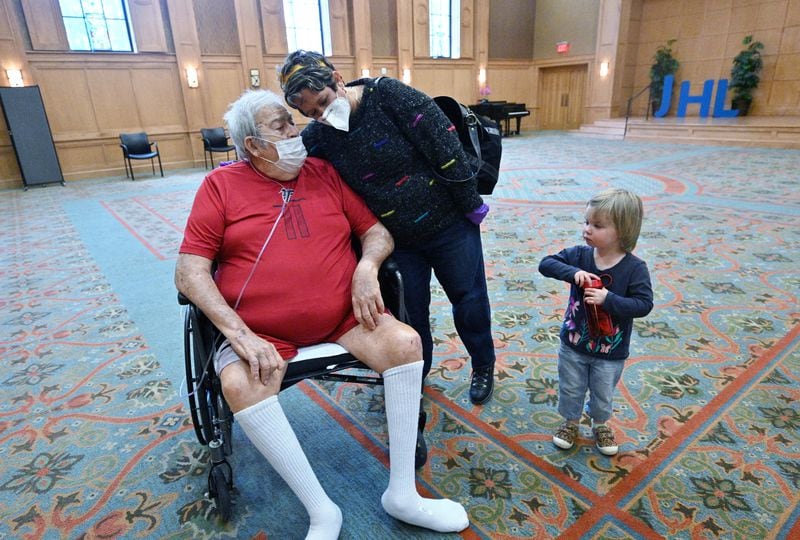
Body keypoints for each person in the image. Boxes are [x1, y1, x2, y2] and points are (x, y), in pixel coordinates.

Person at [175, 90, 469, 538]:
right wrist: (239, 334)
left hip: (343, 318)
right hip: (262, 331)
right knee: (237, 383)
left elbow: (376, 232)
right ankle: (321, 511)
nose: (297, 132)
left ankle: (404, 493)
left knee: (406, 343)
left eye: (292, 122)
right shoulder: (220, 187)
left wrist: (368, 267)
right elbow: (189, 272)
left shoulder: (323, 173)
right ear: (253, 145)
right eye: (282, 126)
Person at [277, 51, 497, 418]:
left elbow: (443, 146)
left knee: (468, 297)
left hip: (448, 225)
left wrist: (469, 203)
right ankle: (416, 376)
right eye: (311, 113)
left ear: (337, 79)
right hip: (397, 241)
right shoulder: (319, 137)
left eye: (325, 102)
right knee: (412, 314)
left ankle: (483, 363)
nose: (321, 115)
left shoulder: (388, 95)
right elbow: (296, 169)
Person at [538, 188, 653, 456]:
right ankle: (570, 422)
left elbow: (644, 304)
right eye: (587, 222)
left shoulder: (634, 268)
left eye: (597, 225)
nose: (587, 229)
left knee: (602, 394)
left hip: (610, 352)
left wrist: (608, 299)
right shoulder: (579, 255)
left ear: (622, 232)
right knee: (570, 387)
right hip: (574, 344)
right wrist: (573, 272)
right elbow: (546, 264)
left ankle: (600, 423)